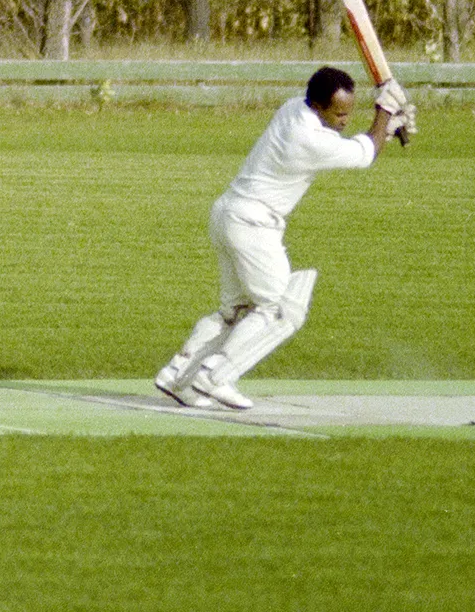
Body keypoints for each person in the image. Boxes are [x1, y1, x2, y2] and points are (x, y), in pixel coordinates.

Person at [155, 65, 412, 411]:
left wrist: (387, 124)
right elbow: (364, 154)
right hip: (253, 225)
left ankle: (178, 375)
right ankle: (213, 378)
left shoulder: (294, 108)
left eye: (349, 113)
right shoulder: (308, 140)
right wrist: (383, 111)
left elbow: (361, 142)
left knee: (237, 312)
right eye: (339, 113)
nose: (344, 120)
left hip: (228, 214)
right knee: (281, 310)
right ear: (319, 106)